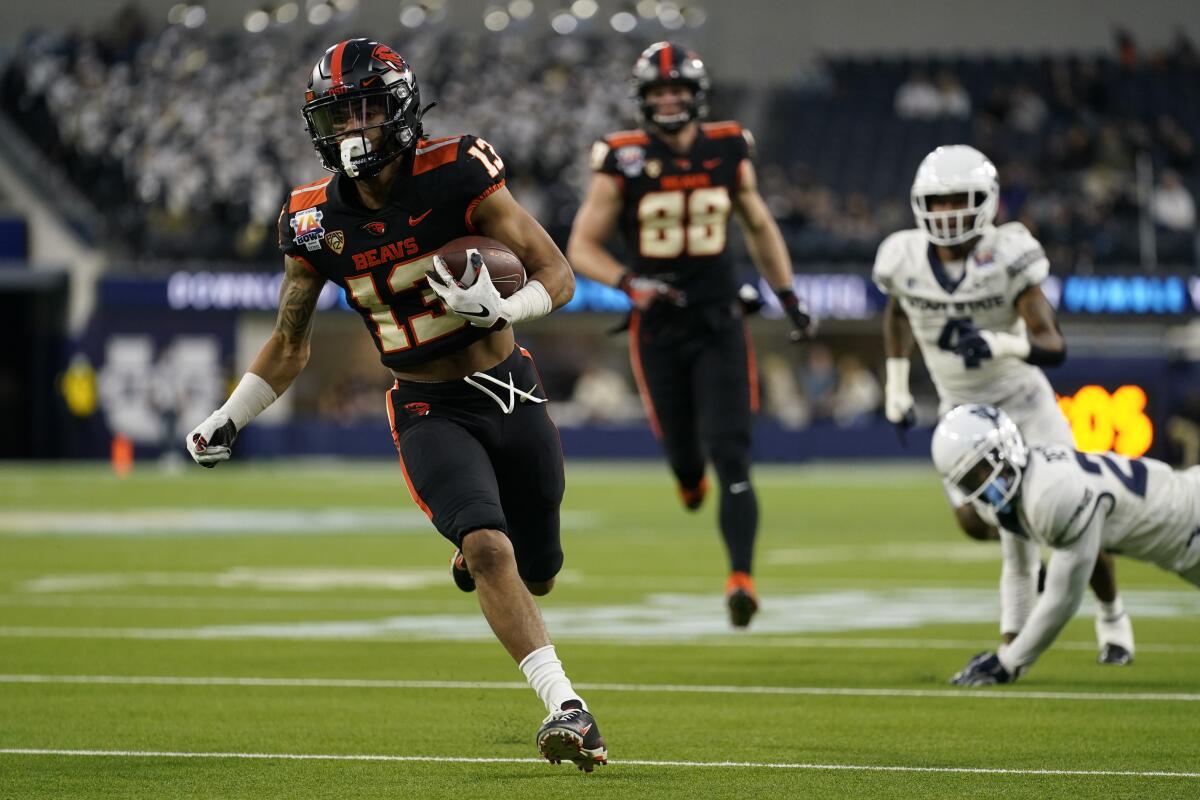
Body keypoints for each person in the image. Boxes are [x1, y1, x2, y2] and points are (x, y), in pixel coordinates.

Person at [183, 39, 606, 772]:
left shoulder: (458, 172)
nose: (355, 130)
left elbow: (557, 272)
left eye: (370, 109)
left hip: (510, 388)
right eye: (339, 115)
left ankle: (486, 561)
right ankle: (567, 707)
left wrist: (505, 304)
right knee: (488, 546)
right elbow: (290, 341)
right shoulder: (311, 221)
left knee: (538, 568)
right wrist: (230, 415)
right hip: (427, 408)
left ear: (404, 107)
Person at [567, 41, 816, 628]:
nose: (670, 99)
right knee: (685, 460)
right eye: (658, 92)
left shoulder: (729, 148)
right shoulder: (621, 158)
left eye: (678, 89)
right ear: (643, 100)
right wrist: (630, 282)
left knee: (732, 451)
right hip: (656, 327)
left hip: (719, 318)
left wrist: (789, 296)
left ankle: (741, 577)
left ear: (697, 95)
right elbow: (581, 246)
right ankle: (687, 478)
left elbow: (758, 224)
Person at [873, 145, 1135, 664]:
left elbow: (1053, 344)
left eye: (959, 201)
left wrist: (1002, 344)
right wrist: (897, 386)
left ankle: (1107, 617)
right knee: (979, 522)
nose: (948, 214)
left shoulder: (1008, 252)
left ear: (986, 202)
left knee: (1073, 517)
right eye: (938, 203)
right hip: (962, 413)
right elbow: (899, 313)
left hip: (1024, 403)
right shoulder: (901, 257)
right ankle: (1018, 635)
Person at [935, 404, 1200, 685]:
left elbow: (1063, 597)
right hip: (1184, 541)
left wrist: (1008, 663)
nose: (984, 482)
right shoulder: (1020, 488)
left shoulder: (1051, 495)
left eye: (982, 468)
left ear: (1005, 447)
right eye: (969, 480)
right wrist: (1009, 653)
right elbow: (1019, 569)